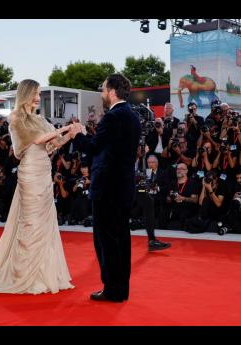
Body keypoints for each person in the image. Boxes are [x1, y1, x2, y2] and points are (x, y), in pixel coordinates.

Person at [0, 79, 74, 294]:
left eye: (39, 93)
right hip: (30, 174)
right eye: (35, 93)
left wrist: (70, 135)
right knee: (31, 223)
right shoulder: (16, 117)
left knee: (45, 223)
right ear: (26, 94)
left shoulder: (40, 119)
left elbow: (51, 145)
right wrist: (63, 128)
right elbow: (35, 142)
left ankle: (43, 275)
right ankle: (23, 275)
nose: (38, 98)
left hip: (45, 173)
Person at [71, 73, 162, 303]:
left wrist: (78, 134)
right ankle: (120, 289)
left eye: (103, 90)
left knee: (106, 240)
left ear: (112, 91)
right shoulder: (131, 116)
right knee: (121, 239)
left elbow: (93, 147)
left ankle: (112, 289)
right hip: (122, 188)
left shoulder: (113, 117)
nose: (102, 94)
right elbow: (107, 148)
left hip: (107, 189)